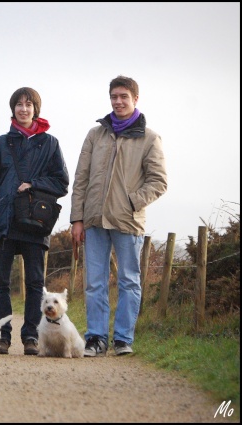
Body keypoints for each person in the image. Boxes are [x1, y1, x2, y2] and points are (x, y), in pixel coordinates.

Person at [70, 75, 167, 357]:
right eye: (114, 97)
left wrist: (131, 201)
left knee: (128, 280)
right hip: (94, 220)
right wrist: (77, 218)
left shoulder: (149, 138)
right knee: (94, 282)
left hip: (128, 221)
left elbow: (158, 181)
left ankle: (123, 339)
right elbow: (81, 178)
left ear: (135, 99)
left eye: (124, 96)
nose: (118, 101)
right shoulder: (95, 134)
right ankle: (96, 339)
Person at [0, 87, 69, 355]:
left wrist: (33, 184)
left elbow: (62, 182)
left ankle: (31, 337)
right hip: (3, 220)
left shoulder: (50, 143)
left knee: (35, 283)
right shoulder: (0, 144)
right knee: (0, 282)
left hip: (35, 221)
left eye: (29, 104)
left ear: (36, 109)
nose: (24, 109)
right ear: (13, 109)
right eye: (19, 104)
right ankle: (1, 336)